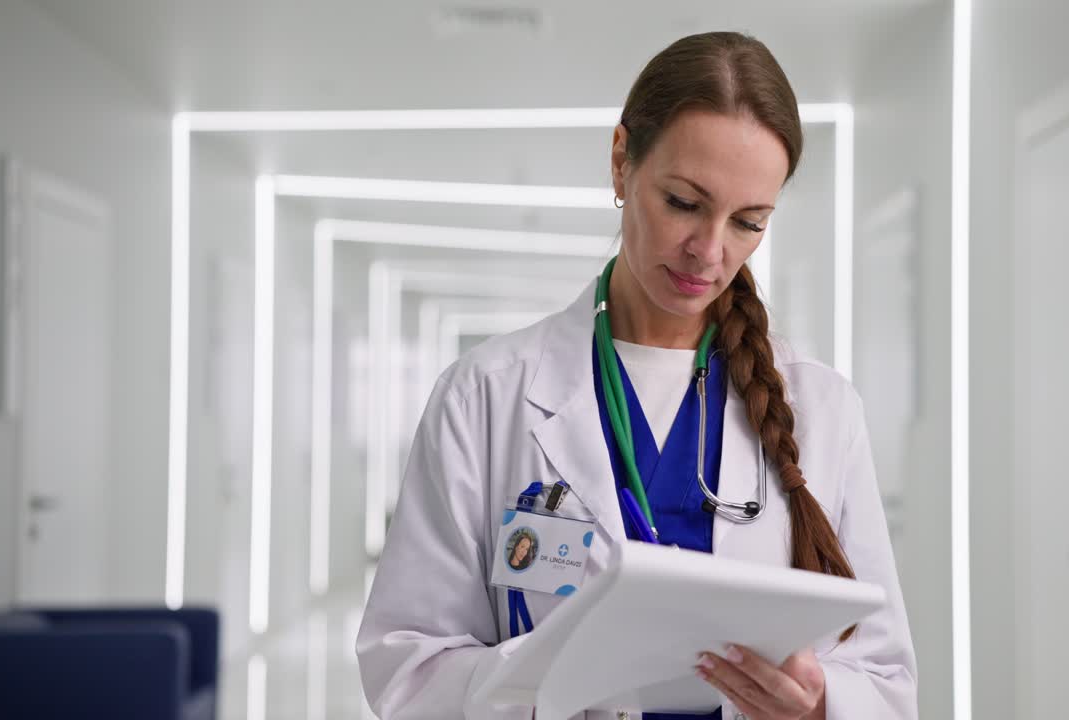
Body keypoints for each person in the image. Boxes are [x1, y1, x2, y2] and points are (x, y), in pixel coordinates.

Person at [357, 31, 917, 720]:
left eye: (748, 222)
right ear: (622, 163)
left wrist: (818, 704)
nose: (709, 252)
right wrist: (546, 685)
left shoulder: (823, 408)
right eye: (683, 202)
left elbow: (885, 676)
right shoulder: (485, 395)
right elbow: (407, 667)